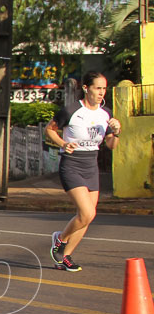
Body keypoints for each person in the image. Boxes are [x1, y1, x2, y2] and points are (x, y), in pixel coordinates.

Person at [46, 71, 121, 272]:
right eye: (97, 88)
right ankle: (59, 241)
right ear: (86, 88)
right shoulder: (71, 110)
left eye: (104, 88)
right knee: (86, 212)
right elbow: (50, 129)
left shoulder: (106, 114)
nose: (101, 92)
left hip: (91, 165)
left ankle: (65, 257)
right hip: (71, 164)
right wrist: (64, 143)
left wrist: (117, 131)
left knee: (87, 215)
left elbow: (112, 145)